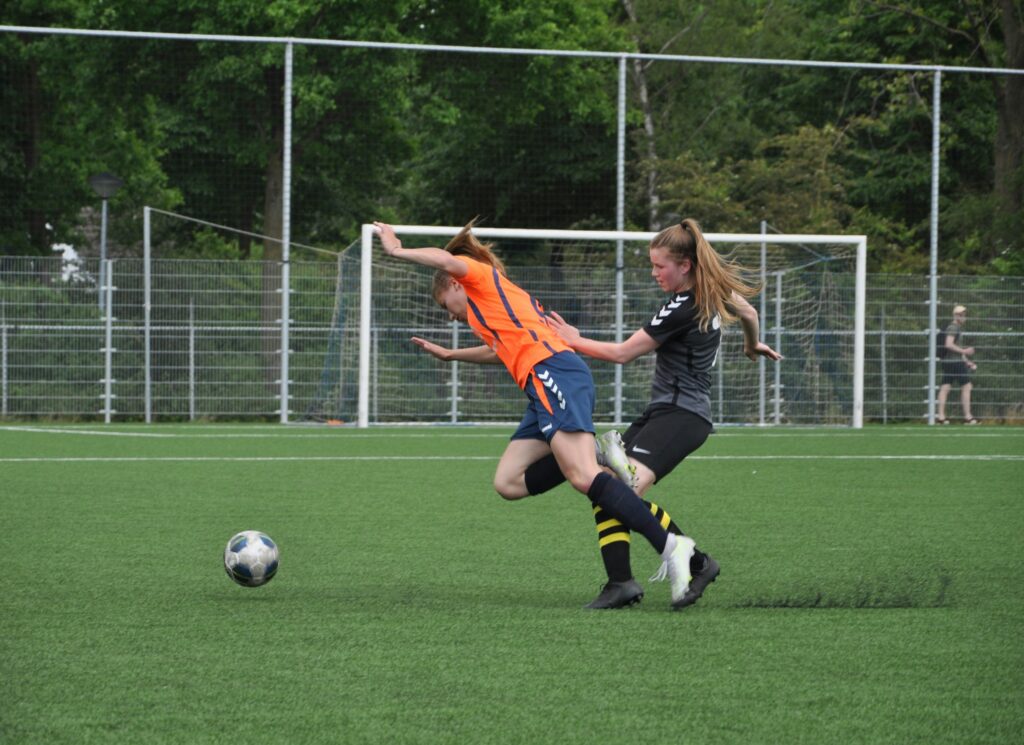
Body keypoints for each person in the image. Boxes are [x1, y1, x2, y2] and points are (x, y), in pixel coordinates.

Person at [373, 219, 698, 610]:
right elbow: (500, 350)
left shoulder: (480, 278)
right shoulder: (485, 311)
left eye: (447, 307)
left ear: (455, 285)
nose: (451, 317)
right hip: (539, 384)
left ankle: (671, 546)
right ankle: (595, 453)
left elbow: (447, 259)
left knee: (583, 478)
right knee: (509, 482)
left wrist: (396, 250)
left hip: (553, 371)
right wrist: (451, 354)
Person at [528, 219, 782, 609]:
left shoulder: (684, 305)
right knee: (607, 485)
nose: (654, 272)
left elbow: (622, 354)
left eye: (659, 265)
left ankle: (695, 563)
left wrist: (574, 340)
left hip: (681, 417)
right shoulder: (712, 291)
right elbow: (747, 311)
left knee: (621, 491)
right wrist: (752, 345)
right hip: (664, 413)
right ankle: (622, 582)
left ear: (685, 265)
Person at [936, 304, 978, 425]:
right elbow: (949, 344)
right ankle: (968, 417)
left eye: (964, 315)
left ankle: (941, 417)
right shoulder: (953, 328)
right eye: (960, 315)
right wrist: (965, 351)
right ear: (955, 316)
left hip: (950, 362)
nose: (963, 317)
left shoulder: (954, 328)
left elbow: (955, 348)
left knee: (945, 387)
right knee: (967, 386)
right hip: (954, 363)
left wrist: (967, 361)